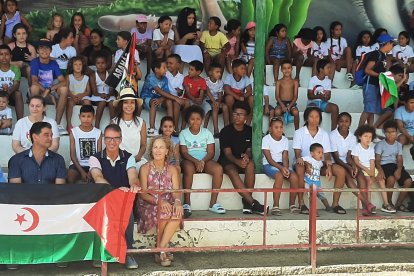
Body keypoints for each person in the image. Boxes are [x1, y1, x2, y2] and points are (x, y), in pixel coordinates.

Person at [88, 124, 140, 269]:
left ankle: (128, 253)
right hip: (103, 199)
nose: (112, 142)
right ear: (104, 139)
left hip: (122, 200)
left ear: (121, 139)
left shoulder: (129, 157)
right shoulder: (95, 157)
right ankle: (100, 253)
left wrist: (135, 184)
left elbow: (133, 177)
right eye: (109, 138)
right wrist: (116, 191)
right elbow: (98, 178)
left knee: (128, 213)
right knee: (100, 213)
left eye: (116, 138)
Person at [293, 107, 346, 214]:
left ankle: (335, 204)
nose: (314, 119)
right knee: (299, 167)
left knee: (341, 171)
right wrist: (307, 164)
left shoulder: (324, 134)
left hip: (319, 166)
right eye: (311, 116)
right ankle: (302, 203)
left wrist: (329, 167)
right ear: (307, 118)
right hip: (303, 164)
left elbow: (327, 154)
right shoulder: (299, 132)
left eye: (317, 116)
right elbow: (298, 154)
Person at [138, 136, 183, 267]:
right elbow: (144, 194)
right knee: (163, 212)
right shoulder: (145, 168)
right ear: (151, 151)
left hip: (168, 202)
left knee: (177, 212)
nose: (158, 150)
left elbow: (176, 191)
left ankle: (160, 248)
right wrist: (160, 201)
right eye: (155, 147)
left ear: (167, 151)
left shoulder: (172, 169)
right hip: (149, 203)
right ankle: (164, 250)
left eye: (161, 147)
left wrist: (178, 202)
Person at [218, 101, 267, 215]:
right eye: (235, 113)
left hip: (242, 159)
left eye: (240, 114)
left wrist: (247, 156)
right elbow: (228, 154)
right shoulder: (225, 131)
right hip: (228, 161)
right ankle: (253, 203)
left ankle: (246, 202)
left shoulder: (249, 131)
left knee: (251, 165)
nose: (237, 116)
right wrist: (238, 162)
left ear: (246, 117)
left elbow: (249, 150)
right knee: (231, 170)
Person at [179, 105, 226, 218]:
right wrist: (196, 161)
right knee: (188, 169)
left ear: (202, 120)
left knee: (218, 169)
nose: (195, 121)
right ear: (188, 120)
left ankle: (213, 203)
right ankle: (187, 203)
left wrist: (202, 161)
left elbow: (211, 153)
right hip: (189, 160)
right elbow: (184, 153)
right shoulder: (183, 133)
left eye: (198, 119)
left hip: (205, 160)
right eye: (192, 119)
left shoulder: (207, 133)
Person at [330, 112, 376, 216]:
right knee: (347, 176)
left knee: (360, 174)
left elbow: (349, 156)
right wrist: (348, 168)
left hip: (347, 162)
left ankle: (365, 208)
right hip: (336, 164)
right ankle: (367, 203)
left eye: (346, 121)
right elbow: (336, 158)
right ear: (337, 122)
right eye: (341, 121)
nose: (343, 124)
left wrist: (354, 166)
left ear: (350, 123)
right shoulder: (332, 135)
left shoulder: (352, 137)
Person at [352, 124, 396, 213]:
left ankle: (386, 203)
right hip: (362, 168)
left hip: (371, 168)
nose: (368, 139)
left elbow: (372, 161)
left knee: (382, 180)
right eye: (365, 136)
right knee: (369, 181)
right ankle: (369, 205)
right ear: (359, 136)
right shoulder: (357, 147)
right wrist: (367, 171)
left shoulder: (371, 149)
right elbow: (356, 161)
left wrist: (372, 171)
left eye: (370, 137)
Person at [30, 39, 68, 137]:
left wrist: (50, 90)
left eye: (47, 48)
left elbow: (63, 81)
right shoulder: (35, 62)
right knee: (34, 87)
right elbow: (34, 80)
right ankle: (38, 121)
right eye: (41, 48)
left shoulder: (53, 63)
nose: (44, 50)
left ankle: (57, 124)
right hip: (40, 93)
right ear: (37, 50)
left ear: (51, 51)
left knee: (64, 89)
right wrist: (46, 91)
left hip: (50, 91)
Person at [262, 117, 299, 215]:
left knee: (294, 177)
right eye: (276, 127)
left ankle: (292, 204)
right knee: (279, 175)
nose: (279, 129)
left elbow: (285, 156)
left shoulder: (285, 140)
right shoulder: (266, 139)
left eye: (281, 127)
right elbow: (269, 159)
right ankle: (276, 206)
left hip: (281, 165)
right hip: (269, 165)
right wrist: (281, 169)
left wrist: (286, 169)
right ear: (270, 129)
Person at [375, 120, 413, 212]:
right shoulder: (380, 145)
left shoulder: (398, 145)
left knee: (408, 181)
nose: (390, 134)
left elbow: (399, 159)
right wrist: (380, 170)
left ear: (396, 132)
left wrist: (399, 169)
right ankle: (388, 203)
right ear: (384, 133)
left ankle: (398, 204)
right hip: (384, 165)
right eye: (387, 132)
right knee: (391, 179)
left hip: (395, 165)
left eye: (393, 132)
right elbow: (377, 160)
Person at [358, 34, 395, 127]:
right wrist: (380, 75)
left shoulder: (383, 56)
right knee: (368, 109)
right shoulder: (376, 54)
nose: (392, 46)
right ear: (387, 44)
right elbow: (367, 70)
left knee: (372, 110)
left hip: (376, 85)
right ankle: (359, 131)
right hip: (370, 85)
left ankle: (371, 132)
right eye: (392, 44)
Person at [112, 88, 147, 172]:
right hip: (119, 160)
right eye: (126, 102)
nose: (129, 105)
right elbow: (112, 144)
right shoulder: (114, 122)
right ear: (121, 105)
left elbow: (143, 145)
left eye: (132, 102)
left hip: (137, 160)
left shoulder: (141, 122)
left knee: (144, 169)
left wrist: (137, 157)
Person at [141, 59, 178, 136]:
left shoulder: (165, 79)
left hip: (159, 100)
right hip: (146, 100)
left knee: (169, 101)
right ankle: (152, 128)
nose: (166, 70)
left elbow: (166, 93)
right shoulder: (150, 77)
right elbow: (160, 91)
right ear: (156, 70)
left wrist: (161, 99)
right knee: (154, 102)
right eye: (164, 68)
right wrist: (176, 98)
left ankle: (170, 127)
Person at [68, 105, 102, 183]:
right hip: (77, 165)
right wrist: (82, 172)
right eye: (83, 116)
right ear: (79, 117)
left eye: (89, 116)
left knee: (97, 178)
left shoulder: (98, 132)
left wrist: (91, 171)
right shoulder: (74, 132)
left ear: (94, 117)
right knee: (70, 177)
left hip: (93, 165)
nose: (86, 119)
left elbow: (98, 155)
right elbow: (72, 156)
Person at [84, 53, 115, 128]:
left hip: (108, 95)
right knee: (102, 102)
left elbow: (112, 88)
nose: (100, 65)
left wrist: (109, 94)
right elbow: (94, 91)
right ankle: (97, 125)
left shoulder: (110, 74)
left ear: (107, 64)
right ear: (95, 64)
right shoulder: (93, 75)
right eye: (98, 63)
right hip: (97, 96)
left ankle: (113, 123)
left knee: (112, 103)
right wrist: (101, 95)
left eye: (103, 63)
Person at [307, 58, 339, 131]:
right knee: (314, 112)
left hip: (323, 103)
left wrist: (325, 97)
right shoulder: (313, 79)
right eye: (328, 68)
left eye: (330, 68)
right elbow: (309, 96)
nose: (330, 70)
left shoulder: (328, 81)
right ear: (321, 69)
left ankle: (333, 131)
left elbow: (328, 97)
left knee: (335, 108)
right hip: (313, 103)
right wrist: (319, 96)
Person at [303, 143, 332, 213]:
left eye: (322, 152)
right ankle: (313, 211)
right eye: (318, 152)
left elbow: (326, 162)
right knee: (312, 197)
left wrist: (328, 166)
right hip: (308, 182)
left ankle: (328, 207)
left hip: (317, 183)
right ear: (312, 153)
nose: (321, 154)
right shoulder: (308, 159)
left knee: (322, 195)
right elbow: (300, 160)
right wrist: (307, 164)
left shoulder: (320, 163)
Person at [65, 56, 91, 132]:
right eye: (75, 64)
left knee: (87, 102)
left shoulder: (86, 77)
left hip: (82, 97)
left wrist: (81, 95)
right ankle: (69, 124)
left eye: (80, 64)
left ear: (83, 66)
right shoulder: (69, 77)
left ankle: (88, 123)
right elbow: (66, 89)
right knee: (70, 103)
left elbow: (88, 91)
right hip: (71, 97)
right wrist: (72, 96)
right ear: (72, 66)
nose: (78, 66)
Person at [223, 59, 253, 124]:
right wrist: (238, 97)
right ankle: (232, 122)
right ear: (234, 70)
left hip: (241, 98)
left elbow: (250, 91)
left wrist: (245, 95)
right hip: (234, 98)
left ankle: (248, 124)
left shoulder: (246, 78)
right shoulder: (229, 77)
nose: (244, 71)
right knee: (229, 98)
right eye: (241, 69)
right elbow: (226, 89)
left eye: (245, 69)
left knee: (251, 98)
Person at [204, 62, 229, 137]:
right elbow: (207, 92)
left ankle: (226, 129)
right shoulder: (206, 81)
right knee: (215, 107)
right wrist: (214, 102)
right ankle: (216, 130)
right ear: (210, 73)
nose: (219, 74)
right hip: (207, 100)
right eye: (217, 72)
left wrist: (218, 101)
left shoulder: (220, 82)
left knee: (225, 107)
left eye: (220, 72)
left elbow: (220, 94)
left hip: (216, 100)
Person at [273, 59, 299, 130]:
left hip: (292, 103)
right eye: (284, 68)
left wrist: (289, 106)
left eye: (288, 68)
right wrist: (283, 106)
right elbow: (277, 96)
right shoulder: (278, 82)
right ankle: (280, 129)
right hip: (281, 103)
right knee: (277, 111)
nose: (286, 70)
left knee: (296, 112)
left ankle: (297, 131)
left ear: (292, 69)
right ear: (281, 70)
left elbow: (295, 96)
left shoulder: (295, 82)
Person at [166, 54, 189, 131]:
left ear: (178, 65)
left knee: (183, 102)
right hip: (167, 98)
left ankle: (180, 128)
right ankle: (174, 127)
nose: (168, 65)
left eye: (171, 63)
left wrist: (180, 91)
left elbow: (180, 93)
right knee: (176, 102)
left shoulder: (182, 77)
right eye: (167, 63)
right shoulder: (165, 74)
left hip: (177, 99)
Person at [0, 44, 23, 120]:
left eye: (6, 54)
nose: (4, 57)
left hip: (10, 94)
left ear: (10, 56)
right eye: (1, 54)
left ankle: (20, 122)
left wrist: (7, 92)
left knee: (18, 93)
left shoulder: (15, 69)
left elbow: (16, 85)